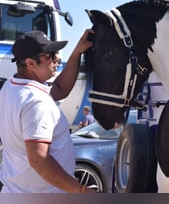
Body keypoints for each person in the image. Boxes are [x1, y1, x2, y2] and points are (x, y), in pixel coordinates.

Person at [0, 30, 97, 193]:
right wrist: (81, 191)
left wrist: (77, 52)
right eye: (50, 55)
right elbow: (39, 160)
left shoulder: (11, 86)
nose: (57, 58)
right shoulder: (35, 101)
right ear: (31, 63)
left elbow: (60, 89)